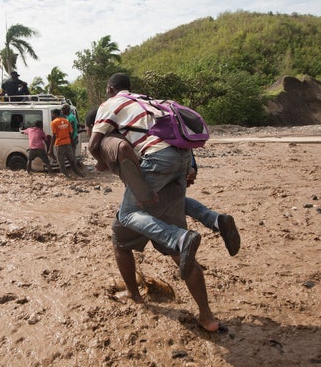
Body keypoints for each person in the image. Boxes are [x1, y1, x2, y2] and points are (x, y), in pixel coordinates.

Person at [85, 106, 240, 256]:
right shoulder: (138, 116)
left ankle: (178, 238)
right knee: (175, 199)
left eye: (86, 130)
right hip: (179, 158)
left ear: (94, 126)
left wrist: (142, 191)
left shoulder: (110, 137)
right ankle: (216, 220)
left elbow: (123, 149)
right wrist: (191, 166)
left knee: (126, 218)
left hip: (156, 169)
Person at [49, 108, 85, 178]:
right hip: (68, 143)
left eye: (53, 114)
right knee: (72, 162)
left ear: (55, 114)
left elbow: (54, 136)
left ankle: (67, 178)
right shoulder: (66, 121)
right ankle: (81, 175)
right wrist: (71, 143)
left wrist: (50, 149)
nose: (52, 116)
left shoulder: (53, 123)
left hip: (59, 144)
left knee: (62, 163)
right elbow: (70, 133)